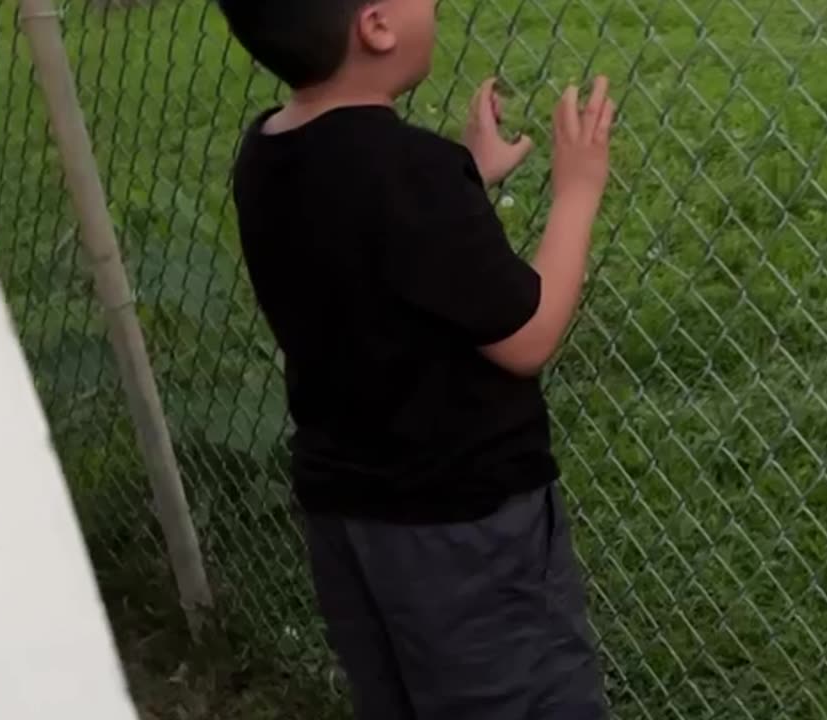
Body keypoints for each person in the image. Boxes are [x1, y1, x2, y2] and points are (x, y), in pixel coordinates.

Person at [216, 0, 614, 717]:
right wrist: (576, 192)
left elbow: (371, 246)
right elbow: (528, 336)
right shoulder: (411, 175)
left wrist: (467, 178)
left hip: (347, 516)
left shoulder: (268, 152)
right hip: (464, 525)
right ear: (376, 26)